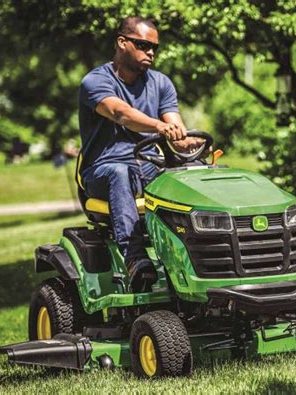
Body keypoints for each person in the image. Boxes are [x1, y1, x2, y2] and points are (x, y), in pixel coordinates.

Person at [78, 16, 201, 292]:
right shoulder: (94, 81)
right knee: (119, 172)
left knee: (196, 174)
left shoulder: (161, 83)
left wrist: (186, 142)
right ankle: (135, 259)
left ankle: (201, 258)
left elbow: (175, 127)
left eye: (154, 47)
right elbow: (120, 113)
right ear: (122, 43)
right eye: (144, 45)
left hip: (146, 166)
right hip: (103, 170)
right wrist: (161, 126)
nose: (151, 52)